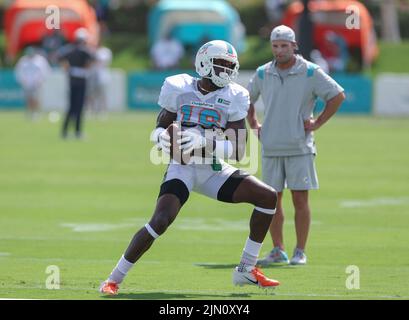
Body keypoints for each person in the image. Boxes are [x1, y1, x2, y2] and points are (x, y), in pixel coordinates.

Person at [99, 40, 280, 295]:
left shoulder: (235, 95)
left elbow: (239, 149)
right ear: (204, 63)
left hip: (213, 169)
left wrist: (204, 141)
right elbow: (161, 125)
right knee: (160, 221)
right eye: (222, 65)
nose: (227, 72)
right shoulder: (179, 86)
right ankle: (113, 279)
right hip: (182, 166)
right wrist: (158, 137)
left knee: (268, 197)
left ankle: (246, 270)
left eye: (231, 66)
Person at [246, 25, 345, 265]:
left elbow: (337, 95)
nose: (279, 50)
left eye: (284, 46)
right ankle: (277, 250)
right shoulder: (262, 73)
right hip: (270, 146)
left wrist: (318, 122)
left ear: (294, 46)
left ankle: (300, 251)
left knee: (300, 201)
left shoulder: (310, 72)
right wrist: (254, 124)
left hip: (299, 147)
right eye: (275, 46)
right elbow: (246, 99)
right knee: (272, 201)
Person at [58, 28, 94, 139]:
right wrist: (85, 69)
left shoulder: (69, 49)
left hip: (72, 80)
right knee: (79, 107)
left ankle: (64, 131)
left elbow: (60, 58)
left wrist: (68, 69)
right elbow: (92, 60)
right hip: (81, 81)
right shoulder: (85, 50)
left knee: (71, 107)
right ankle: (77, 132)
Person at [15, 46, 51, 120]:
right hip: (27, 84)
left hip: (37, 84)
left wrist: (41, 80)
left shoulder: (40, 60)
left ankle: (36, 113)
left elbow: (46, 71)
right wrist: (22, 80)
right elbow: (18, 71)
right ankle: (29, 113)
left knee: (36, 99)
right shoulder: (23, 60)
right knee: (28, 99)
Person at [86, 45, 112, 117]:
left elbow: (102, 62)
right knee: (90, 94)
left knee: (102, 94)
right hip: (92, 76)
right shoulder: (89, 50)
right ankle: (90, 110)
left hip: (102, 77)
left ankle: (103, 111)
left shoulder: (104, 51)